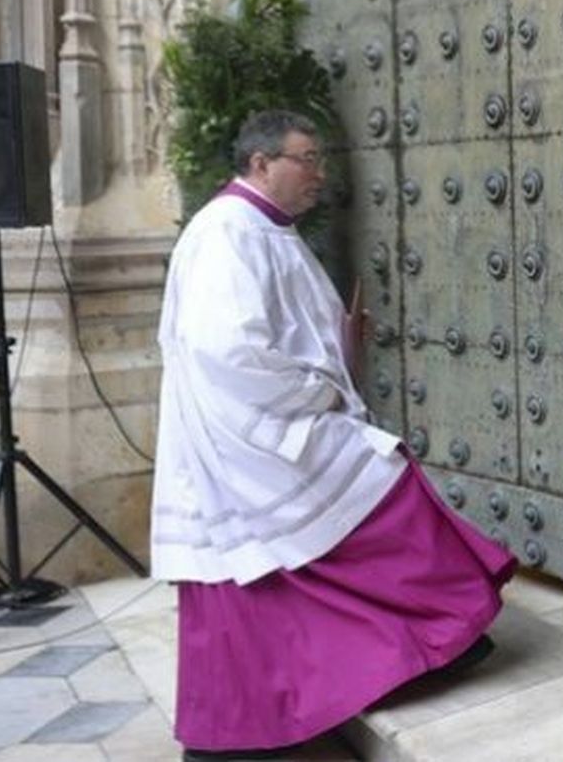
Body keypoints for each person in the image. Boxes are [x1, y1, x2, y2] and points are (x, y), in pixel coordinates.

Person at [150, 110, 517, 761]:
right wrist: (321, 388)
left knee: (281, 558)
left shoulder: (263, 228)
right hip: (252, 436)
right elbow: (225, 351)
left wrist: (339, 346)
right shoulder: (226, 233)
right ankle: (434, 637)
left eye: (319, 159)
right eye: (307, 159)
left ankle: (404, 655)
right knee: (386, 484)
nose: (320, 174)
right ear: (262, 165)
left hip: (266, 424)